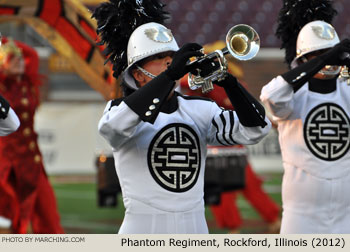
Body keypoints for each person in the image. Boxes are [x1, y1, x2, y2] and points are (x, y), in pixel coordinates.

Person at [94, 0, 271, 234]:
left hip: (195, 229)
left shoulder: (199, 109)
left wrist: (229, 83)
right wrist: (170, 75)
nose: (169, 61)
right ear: (138, 74)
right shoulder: (120, 110)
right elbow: (112, 128)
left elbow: (257, 129)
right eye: (159, 57)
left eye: (171, 56)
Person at [260, 0, 350, 233]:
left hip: (346, 213)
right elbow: (271, 96)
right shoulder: (292, 95)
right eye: (318, 54)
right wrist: (324, 59)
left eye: (330, 53)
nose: (328, 60)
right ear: (302, 60)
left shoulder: (346, 90)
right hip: (301, 217)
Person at [181, 62, 280, 234]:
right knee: (222, 190)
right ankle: (234, 226)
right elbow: (184, 84)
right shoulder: (199, 86)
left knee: (248, 184)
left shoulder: (231, 84)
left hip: (232, 146)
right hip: (212, 149)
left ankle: (271, 219)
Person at [0, 38, 64, 234]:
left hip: (32, 162)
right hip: (7, 165)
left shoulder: (28, 82)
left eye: (20, 58)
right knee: (15, 220)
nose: (20, 61)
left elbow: (32, 55)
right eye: (13, 58)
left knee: (48, 218)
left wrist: (5, 41)